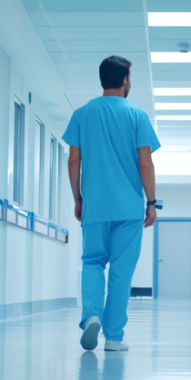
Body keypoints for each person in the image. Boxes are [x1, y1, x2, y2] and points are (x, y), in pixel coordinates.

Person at [63, 55, 160, 352]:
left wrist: (78, 198)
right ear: (125, 81)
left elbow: (73, 160)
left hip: (95, 206)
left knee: (92, 262)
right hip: (128, 208)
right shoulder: (138, 116)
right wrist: (152, 202)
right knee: (121, 271)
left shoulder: (81, 114)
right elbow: (145, 164)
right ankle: (114, 337)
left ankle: (92, 314)